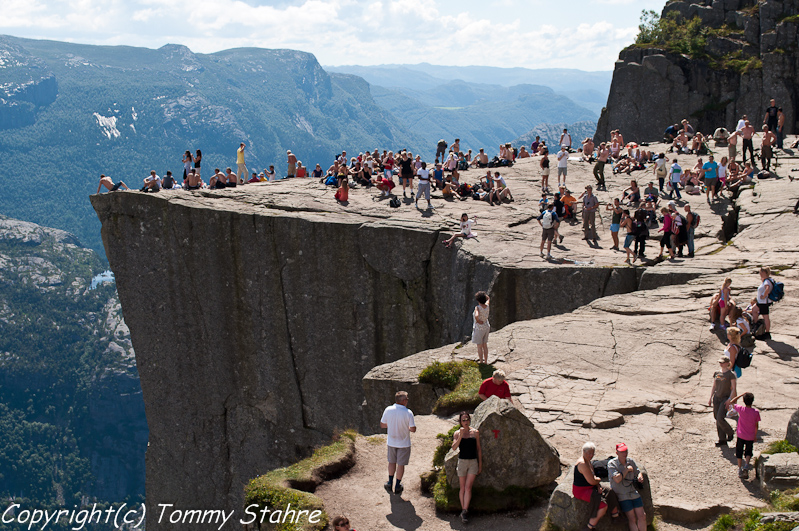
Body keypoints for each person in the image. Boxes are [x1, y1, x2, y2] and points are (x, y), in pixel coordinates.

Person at [574, 442, 617, 530]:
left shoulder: (588, 461)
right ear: (584, 452)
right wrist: (598, 480)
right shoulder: (582, 464)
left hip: (591, 486)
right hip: (582, 491)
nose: (591, 455)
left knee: (610, 491)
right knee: (603, 506)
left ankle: (615, 515)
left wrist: (598, 486)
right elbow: (592, 480)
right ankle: (590, 526)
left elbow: (593, 479)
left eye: (592, 453)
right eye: (589, 453)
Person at [380, 391, 416, 495]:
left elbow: (382, 424)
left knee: (391, 462)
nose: (408, 401)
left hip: (391, 442)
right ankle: (397, 485)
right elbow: (413, 429)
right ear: (404, 401)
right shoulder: (408, 412)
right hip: (404, 443)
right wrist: (408, 428)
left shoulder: (388, 409)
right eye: (407, 399)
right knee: (401, 464)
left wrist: (391, 425)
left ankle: (390, 482)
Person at [451, 412, 482, 523]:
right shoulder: (456, 433)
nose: (465, 422)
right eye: (463, 420)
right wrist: (460, 435)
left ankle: (464, 510)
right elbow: (454, 447)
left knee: (468, 487)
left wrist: (480, 465)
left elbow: (478, 449)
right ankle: (464, 510)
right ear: (460, 422)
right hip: (462, 462)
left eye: (467, 419)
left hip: (473, 462)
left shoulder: (475, 433)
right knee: (462, 487)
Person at [608, 443, 646, 531]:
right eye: (622, 452)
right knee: (632, 518)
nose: (624, 453)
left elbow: (637, 471)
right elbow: (617, 479)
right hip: (622, 494)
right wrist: (627, 470)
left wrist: (640, 476)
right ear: (617, 453)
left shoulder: (630, 461)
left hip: (632, 491)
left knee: (642, 516)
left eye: (625, 451)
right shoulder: (612, 464)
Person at [728, 392, 760, 478]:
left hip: (741, 435)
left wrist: (741, 395)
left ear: (744, 401)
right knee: (748, 451)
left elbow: (732, 402)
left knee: (739, 451)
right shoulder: (755, 412)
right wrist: (755, 435)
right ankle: (746, 465)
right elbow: (756, 425)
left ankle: (739, 468)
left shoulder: (741, 409)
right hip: (750, 436)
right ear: (752, 401)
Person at [708, 355, 737, 447]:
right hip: (716, 398)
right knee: (717, 418)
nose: (721, 364)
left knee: (720, 417)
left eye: (722, 362)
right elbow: (714, 386)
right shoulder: (717, 373)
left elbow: (733, 388)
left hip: (725, 398)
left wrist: (730, 400)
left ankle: (730, 432)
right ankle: (722, 439)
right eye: (720, 362)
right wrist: (710, 397)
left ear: (727, 363)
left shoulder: (730, 374)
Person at [751, 266, 773, 340]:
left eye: (760, 272)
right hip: (760, 302)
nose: (759, 274)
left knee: (766, 317)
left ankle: (767, 333)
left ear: (764, 272)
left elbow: (767, 288)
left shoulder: (767, 281)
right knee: (754, 309)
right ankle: (756, 324)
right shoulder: (768, 280)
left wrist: (764, 296)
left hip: (763, 302)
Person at [472, 291, 491, 363]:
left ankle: (481, 361)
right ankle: (486, 361)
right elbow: (488, 299)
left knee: (479, 346)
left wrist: (478, 320)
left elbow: (476, 315)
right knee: (485, 345)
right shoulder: (487, 306)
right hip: (486, 326)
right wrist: (486, 297)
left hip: (479, 328)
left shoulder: (478, 308)